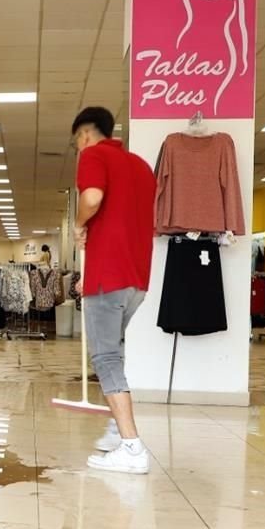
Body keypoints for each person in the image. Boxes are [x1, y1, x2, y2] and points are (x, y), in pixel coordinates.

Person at [72, 106, 156, 475]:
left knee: (105, 358)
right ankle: (114, 430)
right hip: (136, 279)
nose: (78, 148)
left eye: (77, 141)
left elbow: (91, 198)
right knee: (115, 354)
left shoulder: (93, 155)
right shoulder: (140, 166)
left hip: (109, 275)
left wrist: (78, 225)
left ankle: (131, 446)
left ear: (85, 134)